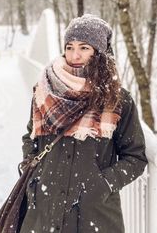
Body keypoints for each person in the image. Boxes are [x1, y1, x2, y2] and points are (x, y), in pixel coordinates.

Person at [19, 14, 148, 233]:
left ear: (99, 52)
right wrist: (35, 175)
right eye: (69, 47)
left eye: (84, 47)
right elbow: (31, 137)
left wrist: (103, 184)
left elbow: (135, 157)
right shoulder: (45, 90)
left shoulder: (117, 100)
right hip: (45, 207)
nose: (74, 55)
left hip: (94, 215)